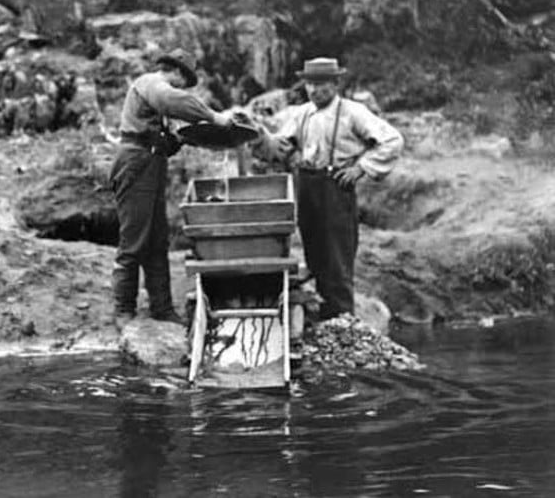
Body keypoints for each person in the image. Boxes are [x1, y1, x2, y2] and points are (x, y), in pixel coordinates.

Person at [256, 57, 404, 320]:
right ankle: (324, 314)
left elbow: (392, 141)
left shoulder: (353, 112)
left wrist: (361, 168)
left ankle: (342, 319)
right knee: (315, 254)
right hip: (307, 185)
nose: (314, 90)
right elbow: (280, 147)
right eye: (310, 84)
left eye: (321, 84)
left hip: (335, 187)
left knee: (337, 257)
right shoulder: (301, 113)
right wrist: (258, 137)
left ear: (336, 83)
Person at [110, 48, 232, 326]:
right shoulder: (153, 84)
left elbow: (163, 138)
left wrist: (181, 138)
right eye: (184, 80)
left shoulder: (155, 96)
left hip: (151, 164)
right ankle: (123, 309)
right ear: (175, 71)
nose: (183, 86)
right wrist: (214, 118)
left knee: (156, 240)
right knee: (133, 239)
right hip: (135, 163)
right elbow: (173, 100)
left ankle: (162, 309)